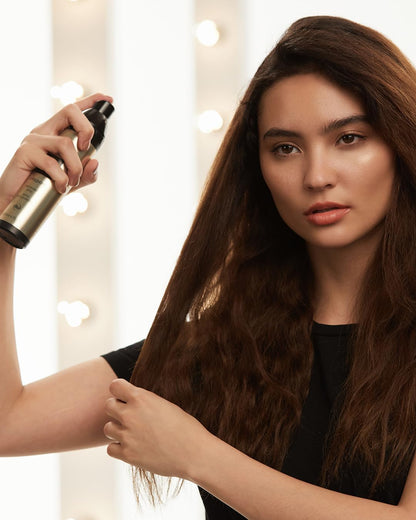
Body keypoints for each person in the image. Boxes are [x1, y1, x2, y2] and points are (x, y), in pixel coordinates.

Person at [1, 14, 416, 519]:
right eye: (285, 148)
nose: (316, 175)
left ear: (401, 140)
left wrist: (199, 457)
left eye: (348, 138)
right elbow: (7, 422)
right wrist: (3, 218)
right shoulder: (222, 348)